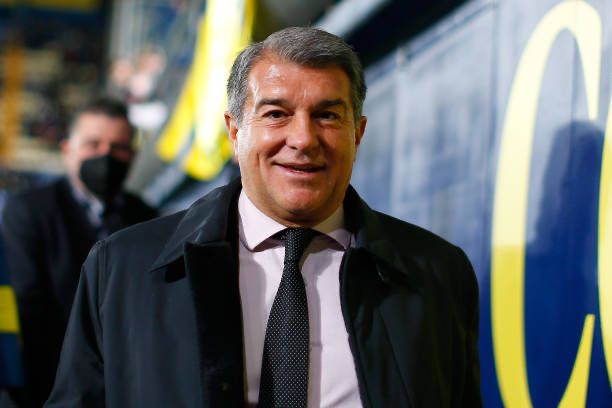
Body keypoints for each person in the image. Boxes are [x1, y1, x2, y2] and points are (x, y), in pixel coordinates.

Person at [46, 28, 481, 407]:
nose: (303, 138)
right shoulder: (122, 270)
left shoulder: (438, 275)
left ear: (358, 133)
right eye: (277, 114)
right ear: (235, 132)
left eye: (327, 115)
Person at [1, 98, 158, 408]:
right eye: (93, 144)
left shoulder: (146, 217)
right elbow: (28, 305)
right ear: (67, 150)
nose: (105, 157)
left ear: (133, 155)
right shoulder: (29, 211)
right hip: (45, 380)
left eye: (118, 147)